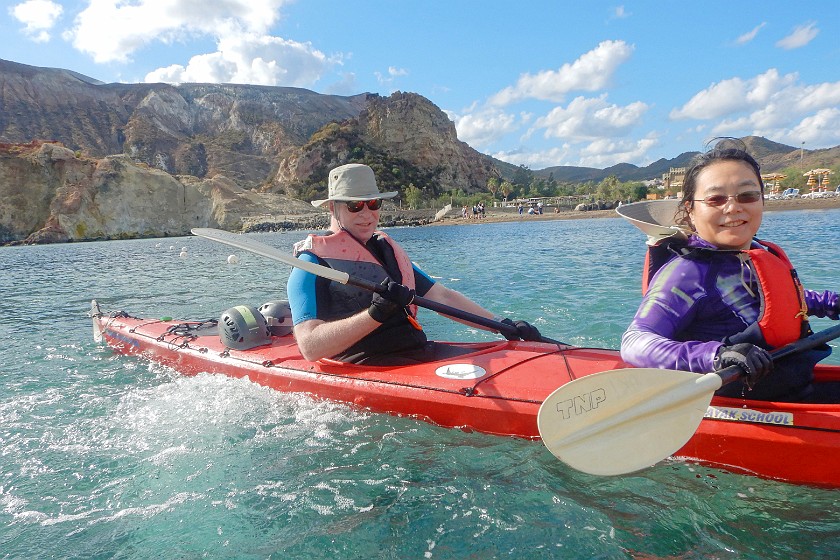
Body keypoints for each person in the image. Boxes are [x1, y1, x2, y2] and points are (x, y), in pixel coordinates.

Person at [620, 139, 839, 402]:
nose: (733, 207)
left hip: (792, 386)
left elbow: (788, 300)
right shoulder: (687, 273)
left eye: (747, 196)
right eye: (716, 199)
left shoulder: (754, 254)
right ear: (690, 209)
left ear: (762, 201)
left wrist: (832, 303)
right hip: (743, 401)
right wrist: (717, 355)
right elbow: (635, 342)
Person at [287, 163, 542, 365]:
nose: (367, 214)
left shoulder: (387, 252)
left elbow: (443, 297)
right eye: (355, 205)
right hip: (365, 364)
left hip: (417, 353)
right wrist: (374, 314)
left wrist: (501, 325)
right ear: (333, 208)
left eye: (374, 203)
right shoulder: (310, 263)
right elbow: (310, 347)